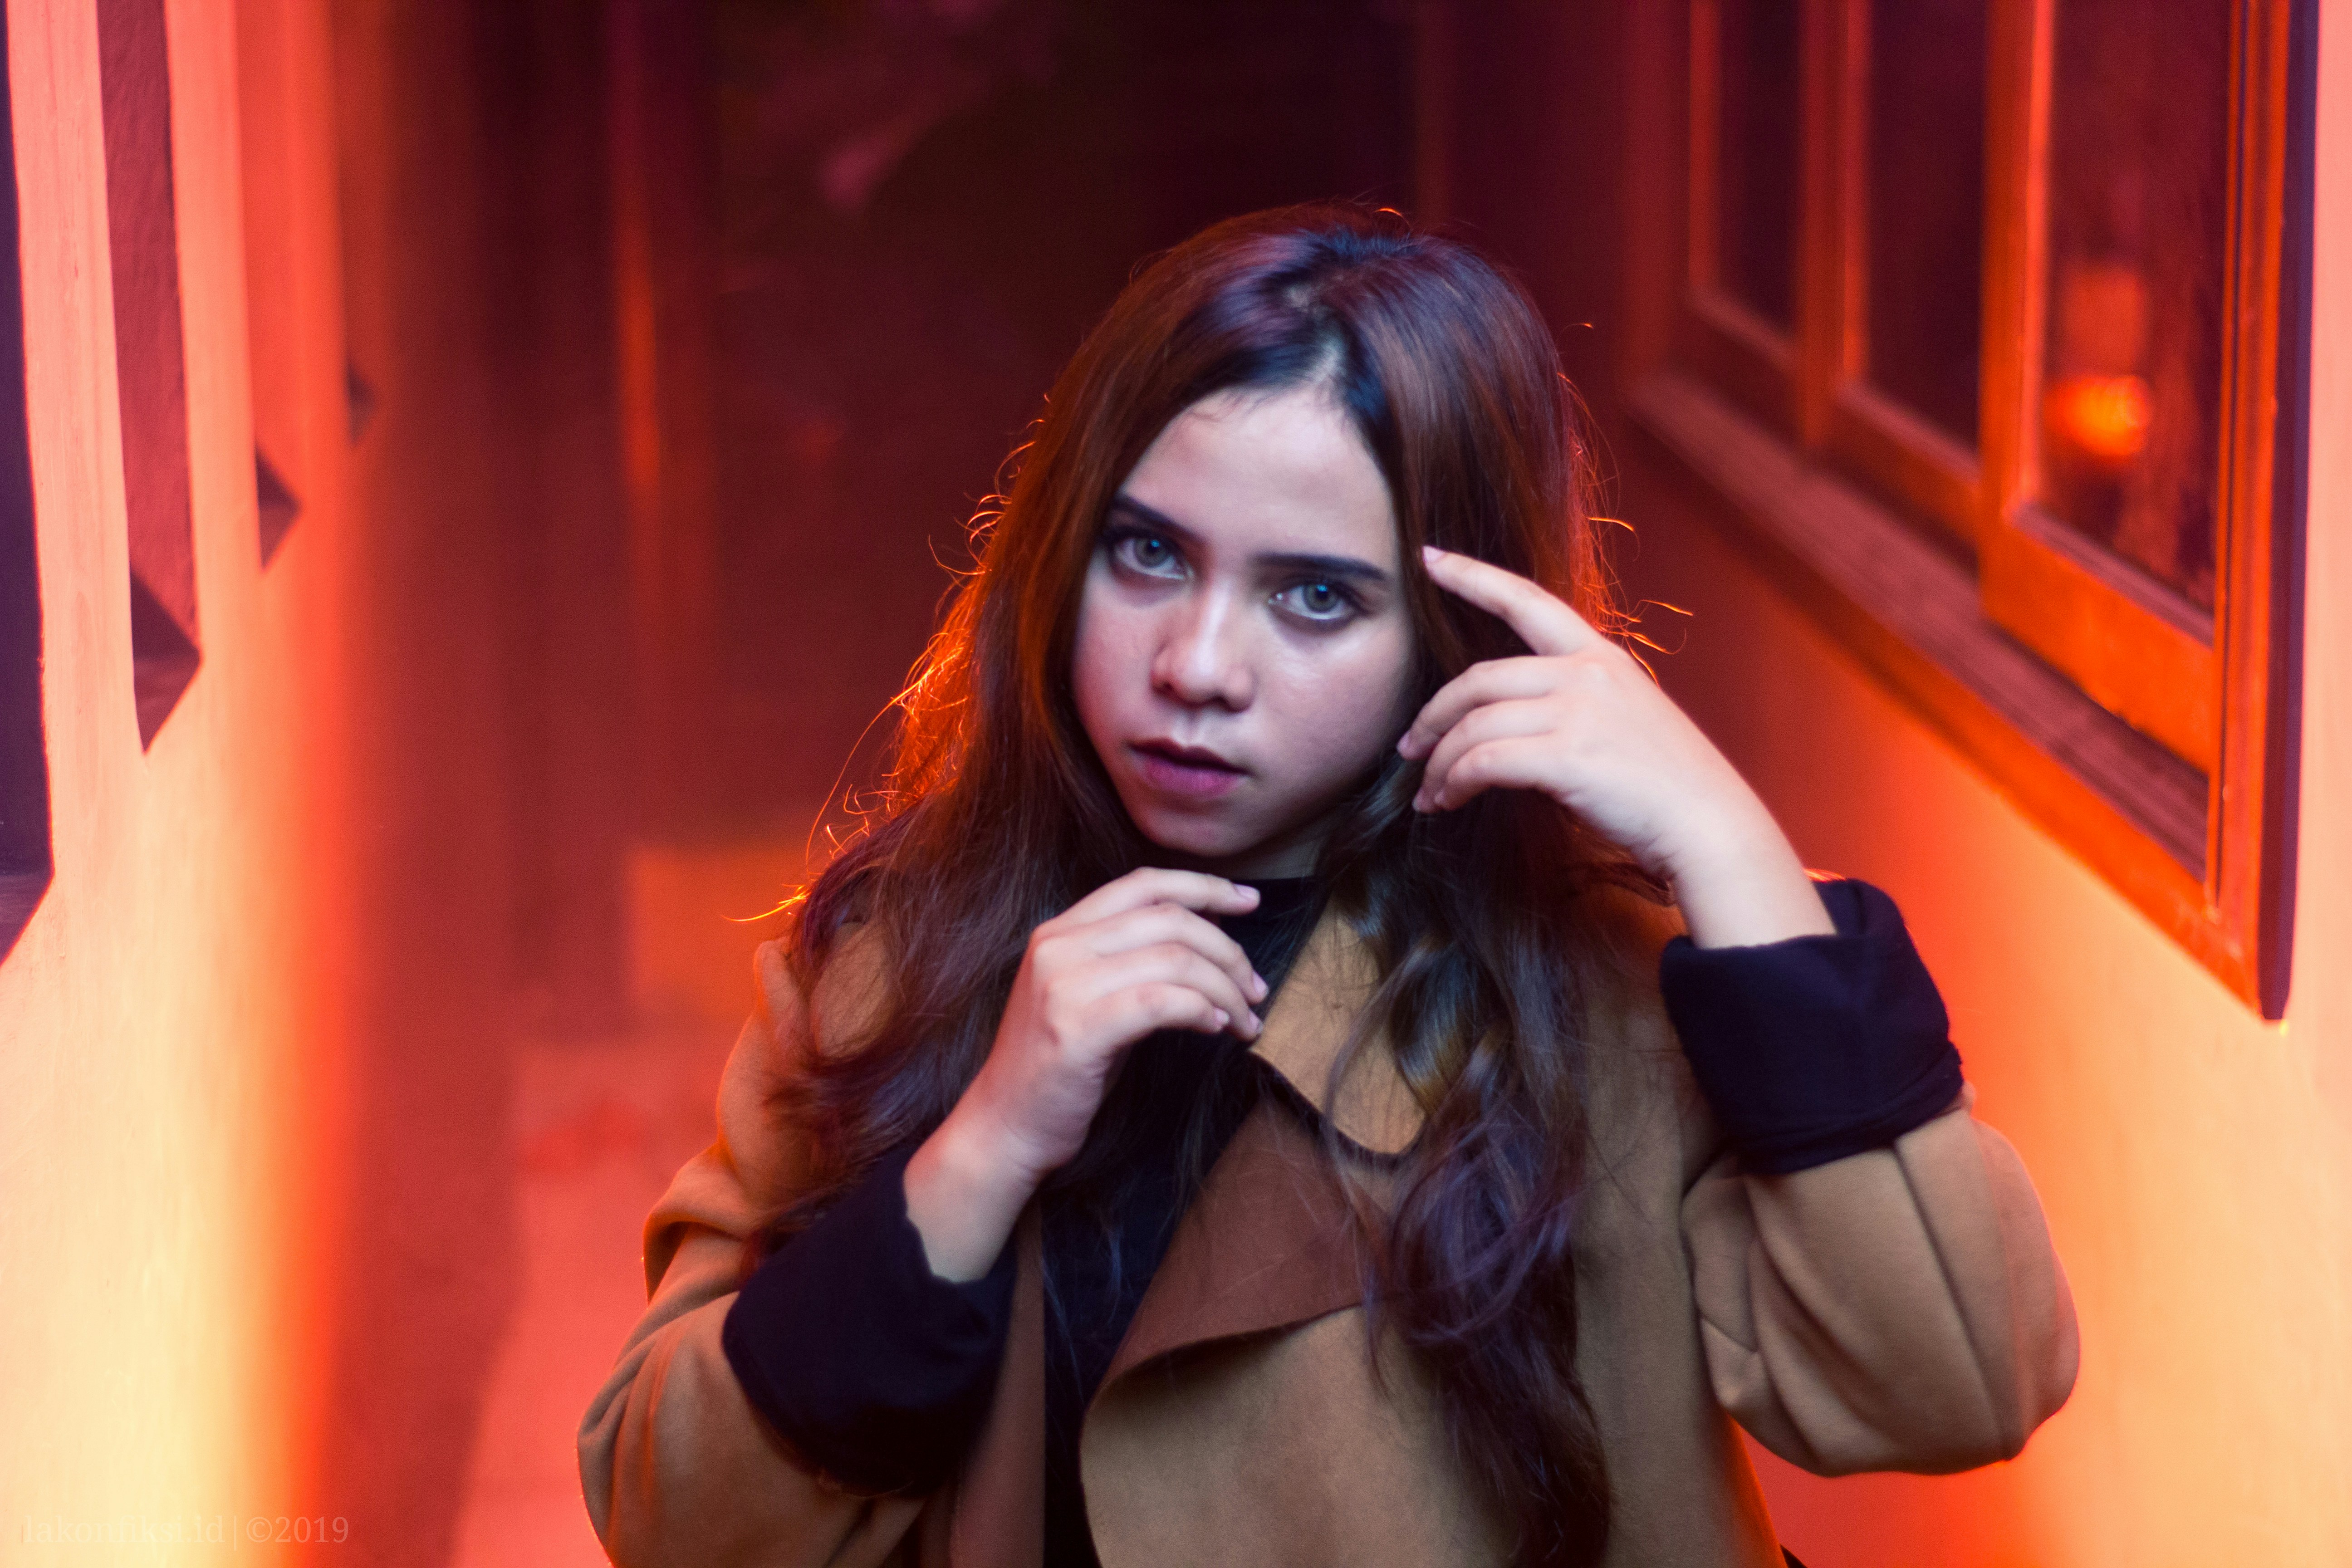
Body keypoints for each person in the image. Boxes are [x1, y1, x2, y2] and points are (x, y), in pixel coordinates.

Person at [578, 204, 2077, 1568]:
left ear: (1449, 630)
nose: (1196, 666)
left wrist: (1730, 845)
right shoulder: (893, 960)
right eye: (1146, 553)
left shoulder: (1609, 993)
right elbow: (672, 1517)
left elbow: (1954, 1386)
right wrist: (980, 1153)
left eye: (1314, 597)